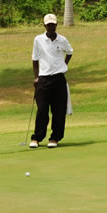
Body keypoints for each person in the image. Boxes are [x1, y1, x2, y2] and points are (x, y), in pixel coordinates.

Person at [30, 13, 73, 148]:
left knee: (58, 111)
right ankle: (37, 138)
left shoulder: (62, 40)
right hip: (43, 79)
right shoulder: (38, 40)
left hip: (59, 78)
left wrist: (64, 64)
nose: (51, 27)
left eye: (53, 25)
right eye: (48, 25)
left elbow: (70, 52)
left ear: (56, 25)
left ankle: (55, 138)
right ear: (44, 25)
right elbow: (35, 59)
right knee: (42, 109)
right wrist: (36, 77)